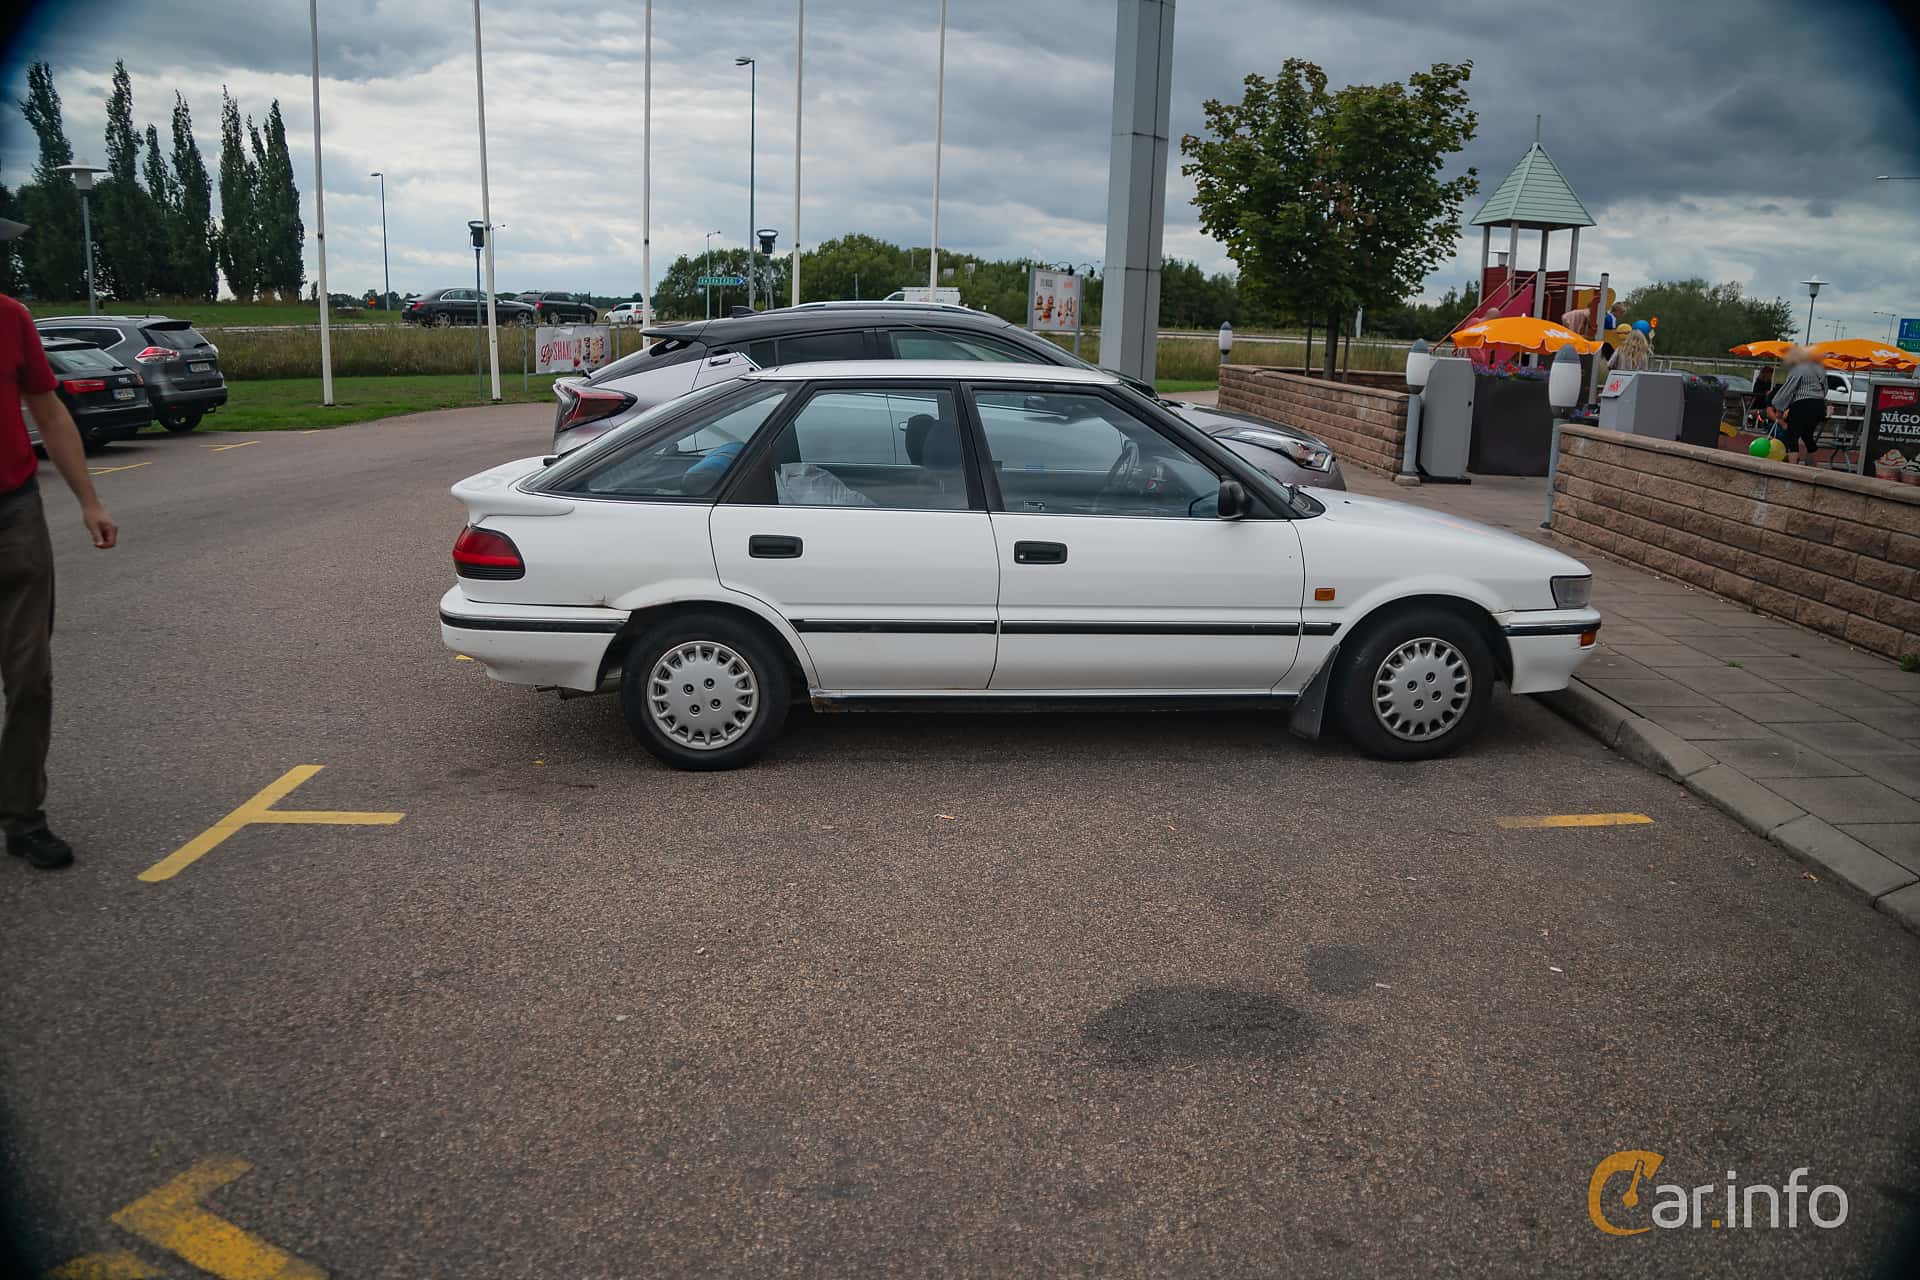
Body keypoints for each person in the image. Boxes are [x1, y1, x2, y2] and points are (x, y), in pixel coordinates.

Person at [2, 223, 119, 871]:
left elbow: (48, 413)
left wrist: (89, 502)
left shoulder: (11, 318)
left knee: (29, 675)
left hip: (13, 512)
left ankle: (22, 815)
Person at [1770, 345, 1829, 466]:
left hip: (1802, 404)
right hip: (1818, 405)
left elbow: (1788, 389)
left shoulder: (1798, 369)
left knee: (1792, 435)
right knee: (1808, 435)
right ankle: (1815, 466)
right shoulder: (1819, 369)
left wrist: (1779, 407)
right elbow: (1825, 388)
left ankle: (1792, 467)